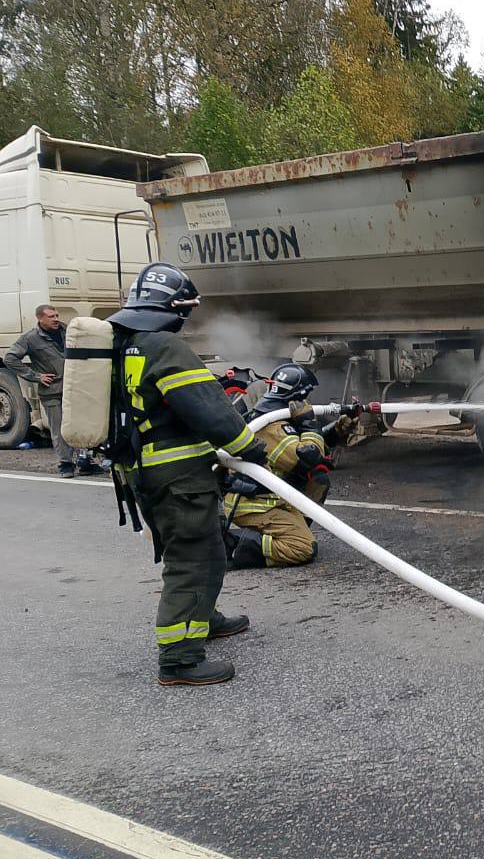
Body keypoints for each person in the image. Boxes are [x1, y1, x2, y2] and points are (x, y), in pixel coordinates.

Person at [107, 263, 268, 687]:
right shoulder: (163, 346)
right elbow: (207, 408)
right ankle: (178, 659)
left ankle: (203, 619)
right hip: (177, 479)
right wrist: (250, 449)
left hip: (147, 473)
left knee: (209, 550)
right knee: (191, 560)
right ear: (172, 308)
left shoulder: (122, 343)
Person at [222, 363, 356, 569]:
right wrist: (309, 423)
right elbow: (305, 459)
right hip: (256, 505)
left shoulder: (278, 416)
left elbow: (309, 451)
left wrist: (338, 430)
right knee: (302, 548)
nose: (308, 402)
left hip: (270, 498)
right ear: (296, 398)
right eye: (306, 397)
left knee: (319, 481)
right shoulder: (271, 426)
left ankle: (292, 527)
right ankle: (235, 543)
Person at [4, 304, 104, 475]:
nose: (56, 319)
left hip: (75, 388)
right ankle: (65, 464)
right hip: (52, 391)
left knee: (82, 426)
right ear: (40, 319)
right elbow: (10, 358)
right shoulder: (30, 338)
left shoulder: (69, 331)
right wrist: (35, 376)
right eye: (51, 316)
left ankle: (85, 461)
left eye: (56, 315)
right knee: (59, 430)